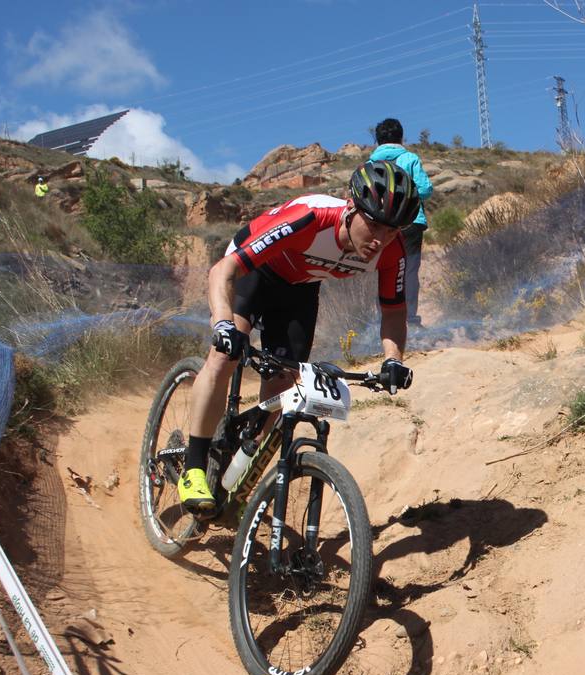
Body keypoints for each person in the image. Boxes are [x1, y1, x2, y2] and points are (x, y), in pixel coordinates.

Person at [176, 159, 421, 514]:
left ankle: (235, 478)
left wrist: (393, 359)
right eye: (374, 224)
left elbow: (394, 310)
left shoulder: (391, 252)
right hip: (254, 272)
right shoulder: (310, 218)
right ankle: (194, 466)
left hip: (300, 289)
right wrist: (223, 325)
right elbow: (222, 270)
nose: (381, 238)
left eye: (393, 229)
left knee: (284, 389)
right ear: (350, 206)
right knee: (224, 357)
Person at [368, 118, 433, 326]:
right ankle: (411, 320)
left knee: (386, 269)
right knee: (410, 271)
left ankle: (386, 321)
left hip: (382, 226)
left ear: (378, 140)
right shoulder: (410, 158)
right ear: (400, 137)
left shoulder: (371, 165)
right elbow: (425, 190)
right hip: (411, 222)